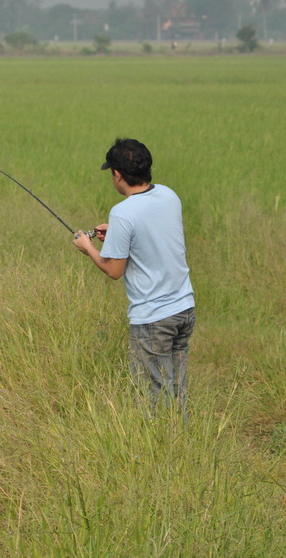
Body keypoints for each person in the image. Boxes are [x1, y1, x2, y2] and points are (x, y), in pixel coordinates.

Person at [72, 138, 195, 414]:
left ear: (117, 175)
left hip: (154, 317)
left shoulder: (123, 213)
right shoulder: (168, 194)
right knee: (177, 389)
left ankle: (160, 450)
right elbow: (150, 233)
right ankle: (181, 441)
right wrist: (115, 234)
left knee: (153, 395)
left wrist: (88, 247)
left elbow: (114, 270)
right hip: (184, 309)